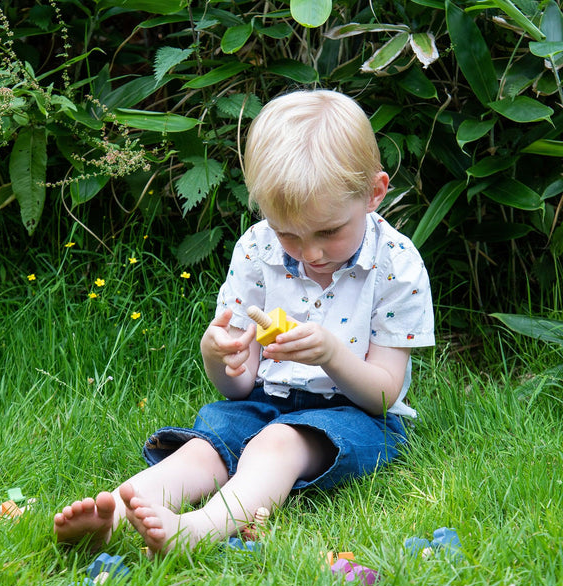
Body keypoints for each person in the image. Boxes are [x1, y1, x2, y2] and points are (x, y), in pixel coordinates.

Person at [53, 89, 435, 555]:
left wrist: (333, 355)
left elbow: (384, 395)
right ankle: (116, 510)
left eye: (329, 232)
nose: (310, 253)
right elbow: (238, 387)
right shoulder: (258, 250)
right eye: (289, 233)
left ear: (374, 193)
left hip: (355, 418)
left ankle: (200, 528)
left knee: (276, 443)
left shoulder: (396, 264)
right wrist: (218, 358)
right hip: (265, 399)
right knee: (208, 446)